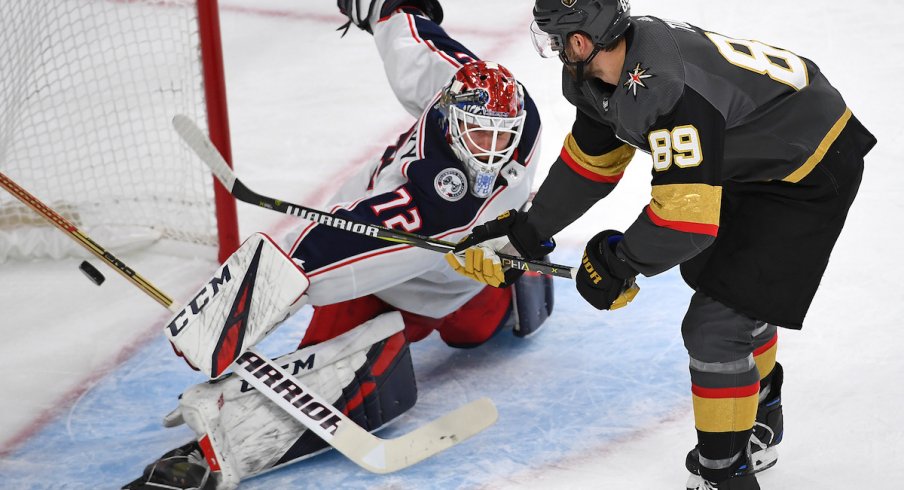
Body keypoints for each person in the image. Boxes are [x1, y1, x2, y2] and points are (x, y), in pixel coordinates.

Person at [448, 1, 876, 489]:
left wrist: (619, 261)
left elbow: (684, 226)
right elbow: (592, 164)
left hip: (807, 165)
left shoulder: (668, 90)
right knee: (720, 286)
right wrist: (525, 232)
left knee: (716, 324)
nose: (552, 48)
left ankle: (724, 475)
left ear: (580, 42)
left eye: (554, 38)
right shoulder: (608, 72)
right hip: (753, 150)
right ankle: (761, 412)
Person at [124, 1, 549, 489]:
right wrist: (390, 7)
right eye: (478, 133)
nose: (491, 151)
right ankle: (211, 456)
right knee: (332, 372)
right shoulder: (450, 94)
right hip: (387, 286)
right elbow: (414, 44)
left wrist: (268, 284)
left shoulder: (500, 148)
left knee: (473, 331)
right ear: (452, 117)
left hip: (464, 278)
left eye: (501, 137)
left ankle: (513, 275)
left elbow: (339, 249)